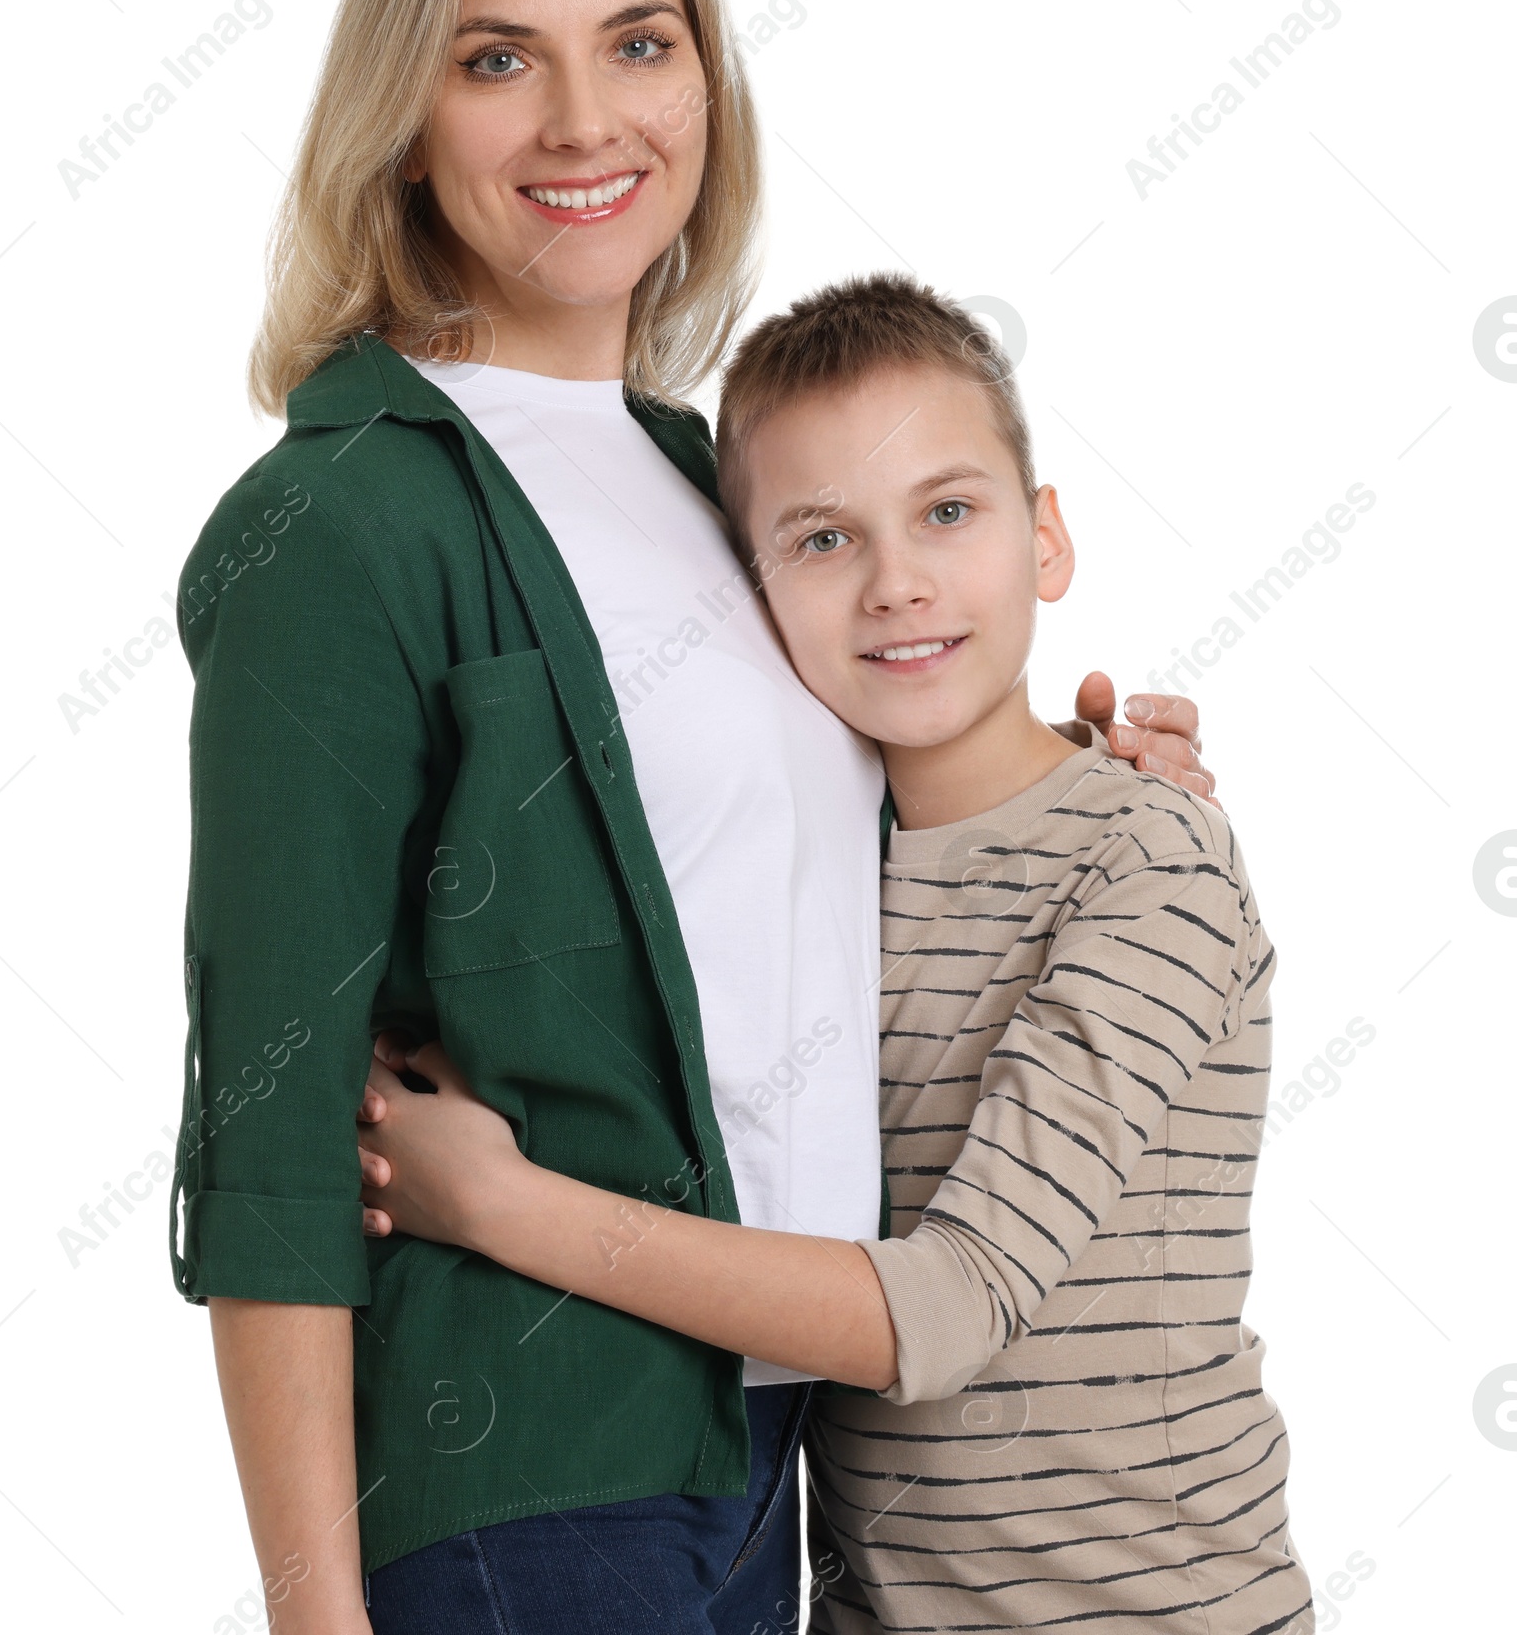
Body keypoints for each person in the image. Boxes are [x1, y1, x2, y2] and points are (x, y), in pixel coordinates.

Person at [170, 0, 1211, 1635]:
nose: (587, 123)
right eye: (500, 60)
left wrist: (1084, 792)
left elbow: (792, 885)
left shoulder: (702, 473)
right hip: (533, 1477)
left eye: (638, 45)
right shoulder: (335, 524)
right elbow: (269, 1137)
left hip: (784, 1459)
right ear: (405, 120)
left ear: (705, 85)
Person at [356, 275, 1311, 1632]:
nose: (897, 582)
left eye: (949, 510)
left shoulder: (1147, 858)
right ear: (747, 595)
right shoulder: (814, 873)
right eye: (821, 540)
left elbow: (947, 1306)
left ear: (1046, 540)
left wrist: (499, 1206)